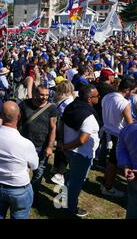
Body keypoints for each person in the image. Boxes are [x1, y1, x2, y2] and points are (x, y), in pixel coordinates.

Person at [0, 101, 39, 219]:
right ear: (19, 117)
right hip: (19, 189)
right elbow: (34, 165)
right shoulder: (26, 143)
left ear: (0, 115)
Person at [61, 85, 100, 218]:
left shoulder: (72, 106)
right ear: (89, 99)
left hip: (71, 151)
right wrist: (66, 146)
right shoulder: (88, 116)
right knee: (77, 181)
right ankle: (71, 208)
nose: (99, 98)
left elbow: (62, 123)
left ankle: (65, 199)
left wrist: (65, 145)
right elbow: (82, 140)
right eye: (97, 96)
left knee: (71, 176)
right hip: (80, 154)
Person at [18, 85, 57, 203]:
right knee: (22, 171)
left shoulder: (52, 108)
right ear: (35, 94)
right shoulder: (24, 105)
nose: (44, 97)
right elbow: (17, 122)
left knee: (39, 171)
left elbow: (53, 128)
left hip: (42, 146)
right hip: (24, 144)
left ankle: (33, 196)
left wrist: (50, 147)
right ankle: (20, 195)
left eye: (46, 95)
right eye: (41, 94)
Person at [101, 76, 135, 197]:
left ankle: (106, 182)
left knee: (110, 161)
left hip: (107, 131)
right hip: (117, 135)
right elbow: (130, 124)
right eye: (132, 91)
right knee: (113, 163)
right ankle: (107, 187)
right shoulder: (124, 103)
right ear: (128, 90)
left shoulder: (106, 96)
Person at [51, 80, 76, 186]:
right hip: (64, 127)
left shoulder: (58, 99)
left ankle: (55, 167)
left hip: (58, 125)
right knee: (63, 149)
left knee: (59, 148)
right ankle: (59, 174)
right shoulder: (68, 102)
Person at [117, 122, 137, 219]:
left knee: (133, 204)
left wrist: (126, 165)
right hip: (133, 175)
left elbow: (121, 148)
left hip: (132, 175)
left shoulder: (128, 129)